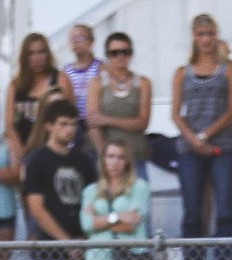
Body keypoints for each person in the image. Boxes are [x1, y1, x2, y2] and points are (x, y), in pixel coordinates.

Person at [172, 13, 232, 260]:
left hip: (223, 145)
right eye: (200, 34)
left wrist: (206, 135)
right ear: (194, 37)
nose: (206, 39)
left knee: (224, 209)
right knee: (192, 211)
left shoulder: (229, 69)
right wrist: (193, 139)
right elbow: (177, 113)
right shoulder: (183, 72)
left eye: (210, 34)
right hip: (190, 148)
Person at [22, 101, 97, 260]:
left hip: (85, 255)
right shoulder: (37, 161)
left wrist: (85, 239)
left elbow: (94, 202)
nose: (69, 129)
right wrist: (67, 242)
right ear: (48, 126)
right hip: (51, 256)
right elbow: (37, 209)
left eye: (73, 124)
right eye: (63, 124)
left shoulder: (83, 161)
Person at [80, 140, 152, 260]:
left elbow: (132, 224)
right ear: (103, 160)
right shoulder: (91, 190)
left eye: (121, 157)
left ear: (127, 161)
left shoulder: (139, 187)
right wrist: (117, 216)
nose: (115, 162)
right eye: (110, 156)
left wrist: (99, 221)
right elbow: (86, 225)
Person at [86, 32, 153, 179]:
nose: (120, 56)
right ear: (107, 56)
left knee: (138, 200)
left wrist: (107, 120)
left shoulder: (143, 83)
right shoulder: (97, 83)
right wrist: (106, 155)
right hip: (107, 160)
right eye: (114, 53)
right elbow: (93, 124)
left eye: (125, 52)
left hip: (136, 156)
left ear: (131, 54)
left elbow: (143, 123)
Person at [5, 32, 75, 168]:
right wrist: (21, 153)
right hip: (20, 149)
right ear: (25, 57)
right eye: (31, 53)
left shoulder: (60, 80)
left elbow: (70, 116)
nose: (36, 58)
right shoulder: (16, 85)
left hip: (52, 149)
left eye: (41, 52)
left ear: (48, 54)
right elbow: (9, 124)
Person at [64, 24, 103, 160]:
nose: (75, 41)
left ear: (91, 42)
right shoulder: (66, 71)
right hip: (75, 123)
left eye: (80, 37)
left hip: (96, 123)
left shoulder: (101, 67)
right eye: (72, 38)